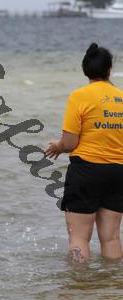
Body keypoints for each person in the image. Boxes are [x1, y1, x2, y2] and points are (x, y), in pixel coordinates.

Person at [45, 43, 123, 263]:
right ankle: (112, 280)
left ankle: (79, 281)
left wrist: (57, 146)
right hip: (118, 172)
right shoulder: (121, 97)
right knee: (111, 238)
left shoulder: (79, 96)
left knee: (79, 238)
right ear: (109, 70)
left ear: (85, 70)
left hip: (87, 170)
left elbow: (70, 143)